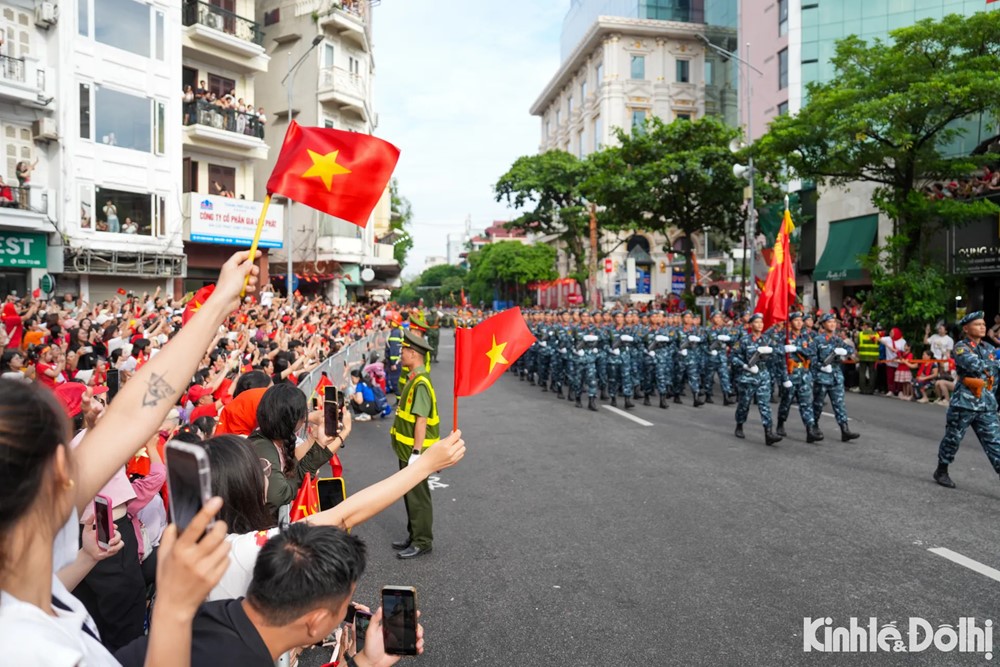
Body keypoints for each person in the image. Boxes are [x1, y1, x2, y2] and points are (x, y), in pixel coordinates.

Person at [0, 249, 260, 666]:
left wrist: (219, 303)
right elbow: (126, 419)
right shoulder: (34, 652)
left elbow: (131, 415)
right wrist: (175, 604)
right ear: (60, 471)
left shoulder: (24, 559)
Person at [115, 523, 424, 667]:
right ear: (314, 623)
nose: (348, 612)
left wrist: (366, 661)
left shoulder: (220, 613)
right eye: (343, 607)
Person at [248, 383, 347, 520]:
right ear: (294, 420)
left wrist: (316, 438)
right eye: (303, 413)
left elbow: (292, 463)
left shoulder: (271, 435)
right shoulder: (262, 447)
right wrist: (345, 432)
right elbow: (278, 495)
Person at [933, 311, 1000, 488]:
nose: (983, 327)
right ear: (966, 328)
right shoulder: (961, 347)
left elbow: (996, 377)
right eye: (978, 324)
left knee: (996, 445)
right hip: (965, 403)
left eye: (984, 324)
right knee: (953, 439)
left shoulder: (989, 349)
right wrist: (997, 362)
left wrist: (995, 399)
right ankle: (942, 469)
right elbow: (974, 365)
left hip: (986, 405)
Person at [389, 330, 438, 559]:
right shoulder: (414, 379)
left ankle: (422, 540)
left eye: (404, 351)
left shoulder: (420, 383)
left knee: (418, 496)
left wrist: (417, 452)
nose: (401, 354)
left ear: (414, 354)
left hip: (414, 451)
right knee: (410, 493)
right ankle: (414, 534)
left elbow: (421, 420)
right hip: (407, 449)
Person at [732, 313, 782, 445]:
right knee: (744, 404)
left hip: (763, 376)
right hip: (748, 377)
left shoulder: (768, 340)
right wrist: (744, 366)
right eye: (756, 322)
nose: (760, 324)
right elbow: (733, 357)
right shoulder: (744, 340)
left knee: (765, 405)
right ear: (750, 325)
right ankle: (739, 425)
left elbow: (779, 351)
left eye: (761, 322)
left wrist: (772, 351)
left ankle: (769, 433)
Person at [776, 311, 824, 443]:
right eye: (796, 320)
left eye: (800, 320)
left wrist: (796, 348)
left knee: (807, 403)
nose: (799, 322)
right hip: (790, 373)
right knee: (786, 401)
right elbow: (778, 355)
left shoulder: (806, 337)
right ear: (790, 322)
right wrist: (784, 377)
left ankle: (810, 431)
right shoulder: (784, 336)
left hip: (803, 373)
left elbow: (812, 352)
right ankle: (780, 423)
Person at [812, 313, 861, 442]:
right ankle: (814, 427)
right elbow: (811, 359)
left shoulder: (837, 340)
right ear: (823, 324)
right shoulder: (817, 340)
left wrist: (846, 351)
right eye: (829, 322)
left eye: (834, 322)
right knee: (817, 404)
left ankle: (845, 429)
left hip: (835, 377)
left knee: (839, 404)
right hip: (822, 377)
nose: (833, 324)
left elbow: (851, 350)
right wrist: (821, 366)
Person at [855, 320, 880, 395]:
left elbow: (858, 344)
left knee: (862, 372)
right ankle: (870, 390)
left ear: (866, 326)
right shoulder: (876, 334)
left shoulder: (861, 334)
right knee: (872, 373)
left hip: (863, 356)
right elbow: (878, 344)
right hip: (873, 357)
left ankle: (863, 389)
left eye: (864, 325)